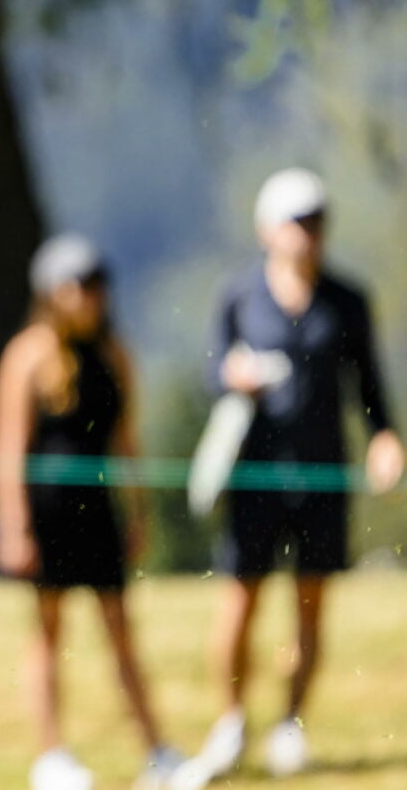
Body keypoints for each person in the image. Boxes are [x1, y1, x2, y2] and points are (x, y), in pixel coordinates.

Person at [170, 168, 404, 789]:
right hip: (253, 479)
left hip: (323, 477)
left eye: (317, 220)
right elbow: (212, 370)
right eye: (298, 221)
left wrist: (385, 438)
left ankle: (290, 723)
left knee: (310, 606)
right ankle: (230, 723)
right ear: (267, 229)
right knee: (240, 601)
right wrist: (235, 376)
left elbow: (371, 389)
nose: (310, 233)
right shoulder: (239, 296)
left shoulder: (347, 301)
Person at [0, 234, 184, 790]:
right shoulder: (26, 355)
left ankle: (157, 751)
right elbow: (8, 451)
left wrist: (138, 512)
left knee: (122, 633)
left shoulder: (114, 355)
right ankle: (52, 756)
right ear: (54, 292)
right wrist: (13, 526)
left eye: (100, 285)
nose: (94, 296)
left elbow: (127, 442)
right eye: (82, 285)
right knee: (48, 634)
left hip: (98, 513)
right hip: (47, 517)